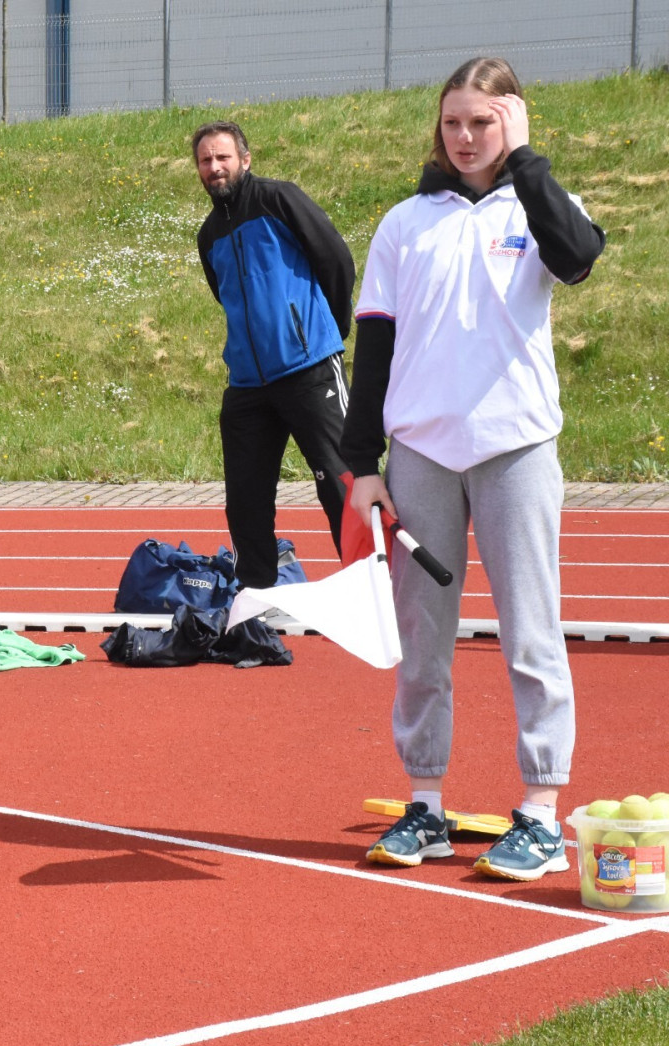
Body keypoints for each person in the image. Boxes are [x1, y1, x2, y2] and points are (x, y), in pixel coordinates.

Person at [342, 57, 605, 881]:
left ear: (513, 119)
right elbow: (374, 347)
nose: (464, 136)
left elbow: (578, 257)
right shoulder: (404, 224)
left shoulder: (542, 207)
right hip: (420, 455)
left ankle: (541, 812)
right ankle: (424, 803)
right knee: (423, 640)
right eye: (453, 121)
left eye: (483, 121)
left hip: (514, 448)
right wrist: (362, 464)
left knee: (532, 631)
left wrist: (526, 164)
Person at [193, 121, 356, 590]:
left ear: (244, 160)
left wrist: (324, 333)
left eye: (222, 157)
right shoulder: (208, 235)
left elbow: (337, 261)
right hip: (248, 383)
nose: (214, 167)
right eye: (205, 160)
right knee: (245, 502)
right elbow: (225, 296)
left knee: (341, 484)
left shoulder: (279, 199)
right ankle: (256, 598)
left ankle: (370, 588)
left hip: (309, 369)